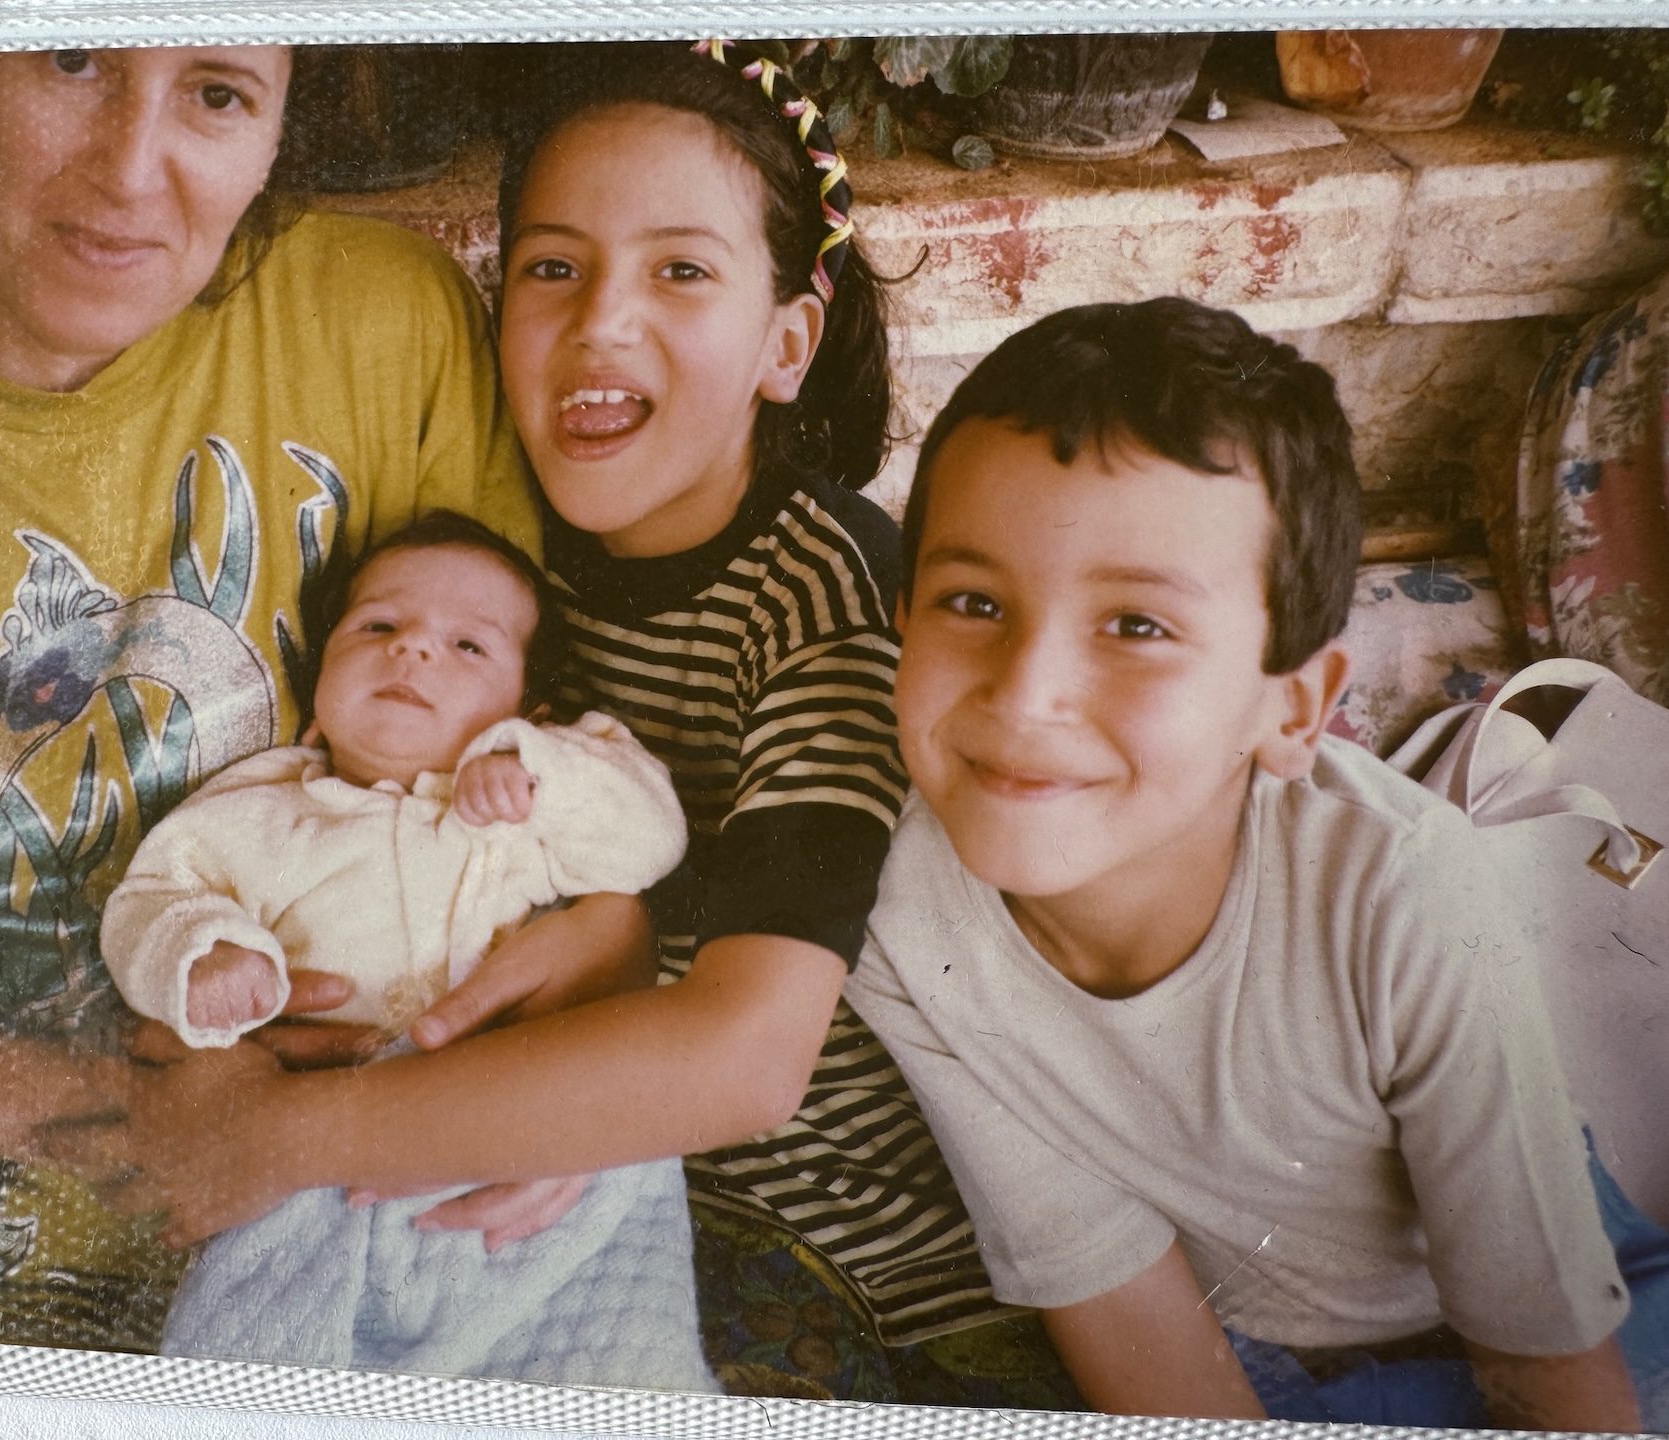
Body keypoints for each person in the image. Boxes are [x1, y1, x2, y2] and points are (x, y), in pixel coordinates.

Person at [87, 42, 1011, 1381]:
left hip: (826, 1257)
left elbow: (746, 1062)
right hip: (506, 1188)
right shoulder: (492, 559)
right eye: (553, 267)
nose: (600, 326)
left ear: (787, 341)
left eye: (681, 271)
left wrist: (282, 1141)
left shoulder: (822, 607)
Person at [0, 45, 650, 1353]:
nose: (130, 166)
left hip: (366, 1236)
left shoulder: (380, 324)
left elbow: (549, 812)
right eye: (73, 57)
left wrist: (560, 1053)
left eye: (216, 92)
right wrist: (109, 1112)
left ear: (278, 122)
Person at [842, 298, 1669, 1430]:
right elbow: (1116, 1296)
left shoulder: (1401, 888)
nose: (1024, 692)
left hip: (1550, 1304)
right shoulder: (899, 911)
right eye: (972, 601)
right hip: (1254, 1345)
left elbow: (1547, 1362)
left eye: (1135, 625)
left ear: (1292, 711)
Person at [97, 513, 714, 1389]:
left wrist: (534, 770)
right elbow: (149, 903)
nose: (414, 652)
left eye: (468, 646)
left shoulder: (519, 817)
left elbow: (648, 839)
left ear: (524, 708)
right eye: (379, 628)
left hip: (519, 1158)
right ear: (317, 690)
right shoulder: (259, 815)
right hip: (318, 1172)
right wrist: (205, 955)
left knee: (602, 1356)